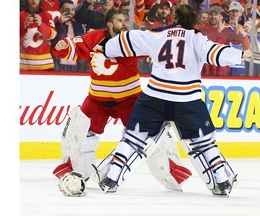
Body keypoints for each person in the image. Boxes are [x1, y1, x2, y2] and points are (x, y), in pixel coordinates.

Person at [93, 3, 252, 195]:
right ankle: (222, 181)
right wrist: (240, 54)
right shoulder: (198, 38)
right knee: (204, 143)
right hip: (188, 100)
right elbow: (215, 53)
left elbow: (129, 39)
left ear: (175, 19)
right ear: (193, 22)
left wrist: (106, 47)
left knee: (134, 139)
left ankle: (112, 177)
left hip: (155, 96)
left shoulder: (157, 34)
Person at [52, 8, 191, 196]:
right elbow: (75, 46)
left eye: (126, 20)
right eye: (119, 20)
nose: (124, 23)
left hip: (130, 99)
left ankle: (171, 172)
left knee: (150, 133)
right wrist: (64, 46)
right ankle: (74, 171)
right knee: (79, 127)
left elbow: (157, 44)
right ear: (109, 24)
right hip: (98, 99)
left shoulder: (133, 39)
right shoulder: (95, 37)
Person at [51, 0, 88, 71]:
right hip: (59, 63)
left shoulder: (79, 26)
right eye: (67, 9)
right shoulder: (55, 24)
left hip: (76, 64)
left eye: (72, 10)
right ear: (61, 10)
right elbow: (55, 41)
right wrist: (60, 24)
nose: (70, 12)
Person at [20, 0, 57, 71]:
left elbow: (53, 35)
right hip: (23, 65)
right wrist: (24, 26)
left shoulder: (47, 15)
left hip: (45, 65)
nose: (34, 1)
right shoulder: (20, 16)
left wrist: (41, 24)